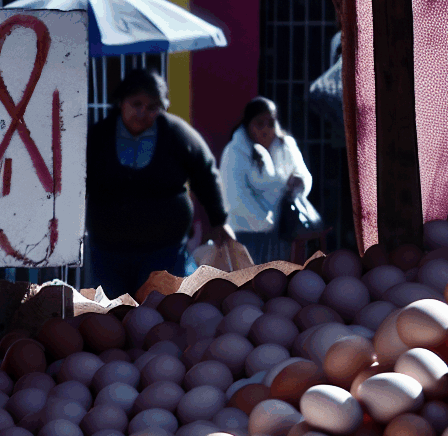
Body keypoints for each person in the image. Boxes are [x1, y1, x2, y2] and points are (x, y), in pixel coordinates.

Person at [85, 69, 234, 298]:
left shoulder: (177, 134)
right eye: (136, 104)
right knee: (111, 314)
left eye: (152, 107)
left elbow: (205, 172)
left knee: (158, 313)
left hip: (163, 249)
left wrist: (219, 219)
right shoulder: (98, 137)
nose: (143, 113)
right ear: (121, 102)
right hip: (108, 251)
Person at [219, 97, 313, 264]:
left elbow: (304, 174)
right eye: (259, 123)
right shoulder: (235, 152)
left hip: (282, 234)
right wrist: (266, 222)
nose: (266, 129)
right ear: (248, 125)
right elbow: (236, 196)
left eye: (270, 123)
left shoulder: (286, 145)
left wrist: (300, 182)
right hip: (246, 236)